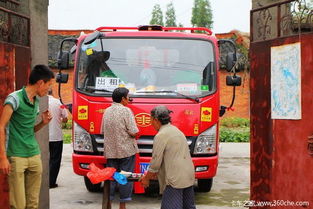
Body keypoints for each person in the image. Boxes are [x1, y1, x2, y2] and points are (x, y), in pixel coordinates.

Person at [0, 64, 54, 209]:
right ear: (40, 82)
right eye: (48, 85)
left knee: (33, 204)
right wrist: (3, 158)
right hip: (16, 156)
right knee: (18, 205)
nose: (48, 89)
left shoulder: (36, 101)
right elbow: (1, 127)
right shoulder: (14, 99)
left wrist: (43, 123)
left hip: (34, 154)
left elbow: (29, 130)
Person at [139, 105, 196, 209]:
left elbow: (155, 163)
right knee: (188, 207)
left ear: (156, 120)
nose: (151, 123)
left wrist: (146, 178)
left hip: (174, 179)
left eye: (151, 119)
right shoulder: (176, 130)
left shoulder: (161, 135)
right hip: (188, 175)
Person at [101, 87, 139, 209]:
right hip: (126, 151)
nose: (129, 99)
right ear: (123, 99)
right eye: (128, 97)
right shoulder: (126, 111)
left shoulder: (107, 111)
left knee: (111, 178)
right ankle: (122, 206)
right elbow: (133, 131)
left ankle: (109, 204)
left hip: (111, 151)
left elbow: (102, 131)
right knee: (124, 177)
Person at [48, 90, 68, 189]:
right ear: (52, 93)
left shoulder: (39, 102)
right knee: (55, 160)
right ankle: (51, 182)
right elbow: (65, 118)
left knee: (44, 159)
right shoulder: (58, 103)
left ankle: (43, 180)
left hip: (42, 137)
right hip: (56, 136)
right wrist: (61, 119)